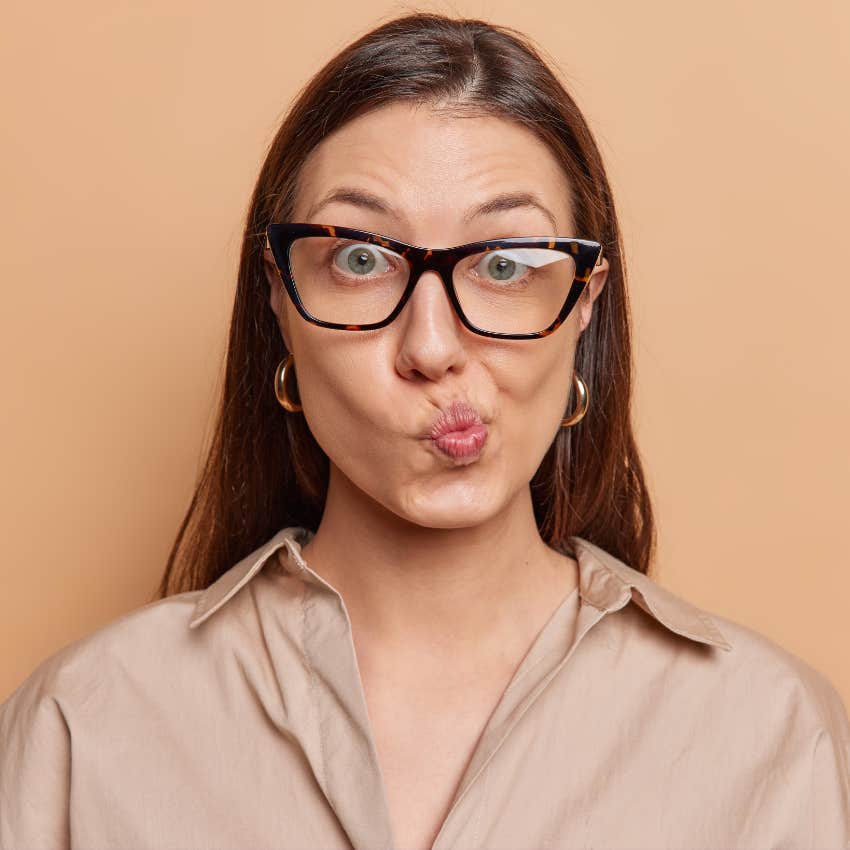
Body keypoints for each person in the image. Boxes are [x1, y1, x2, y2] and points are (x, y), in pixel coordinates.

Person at [2, 11, 848, 850]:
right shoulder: (84, 725)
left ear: (585, 303)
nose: (433, 349)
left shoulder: (770, 734)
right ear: (277, 296)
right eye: (361, 259)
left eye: (505, 264)